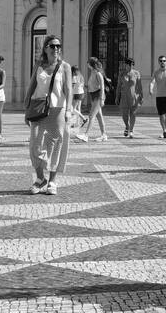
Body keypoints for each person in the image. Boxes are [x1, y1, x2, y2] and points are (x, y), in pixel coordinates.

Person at [25, 35, 73, 195]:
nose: (56, 49)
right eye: (52, 46)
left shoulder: (65, 66)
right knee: (35, 146)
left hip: (58, 109)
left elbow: (68, 90)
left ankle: (52, 180)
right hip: (38, 108)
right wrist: (26, 109)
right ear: (46, 48)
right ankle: (40, 178)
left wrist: (68, 110)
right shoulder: (39, 64)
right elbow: (31, 86)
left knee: (55, 145)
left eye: (58, 46)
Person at [76, 56, 108, 142]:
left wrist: (102, 99)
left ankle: (86, 135)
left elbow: (102, 87)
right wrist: (84, 85)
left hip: (98, 96)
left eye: (88, 63)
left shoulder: (98, 74)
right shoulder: (92, 73)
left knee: (91, 115)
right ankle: (104, 135)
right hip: (93, 96)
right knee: (99, 116)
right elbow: (92, 86)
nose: (87, 64)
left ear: (91, 64)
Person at [116, 57, 143, 137]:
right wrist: (117, 97)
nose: (131, 66)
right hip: (124, 96)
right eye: (129, 64)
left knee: (133, 113)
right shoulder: (122, 73)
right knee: (124, 114)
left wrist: (141, 96)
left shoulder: (137, 73)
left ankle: (131, 130)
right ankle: (127, 126)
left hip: (134, 96)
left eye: (132, 65)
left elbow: (139, 86)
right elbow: (118, 86)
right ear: (126, 64)